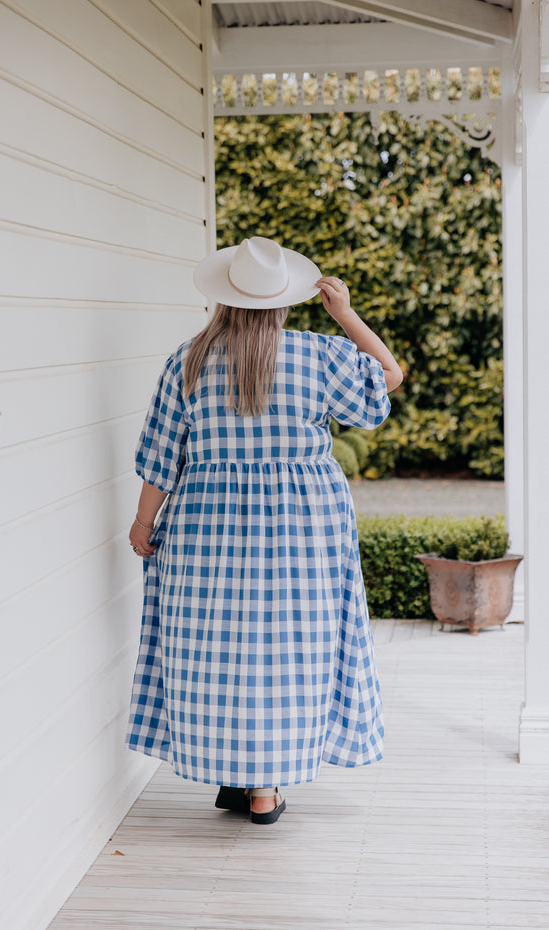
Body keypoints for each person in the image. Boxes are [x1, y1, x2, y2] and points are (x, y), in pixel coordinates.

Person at [125, 236, 403, 825]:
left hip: (207, 520)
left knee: (218, 647)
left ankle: (237, 769)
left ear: (222, 300)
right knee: (288, 647)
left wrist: (144, 522)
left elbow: (160, 457)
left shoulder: (189, 361)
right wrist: (346, 314)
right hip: (304, 522)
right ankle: (264, 787)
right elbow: (389, 378)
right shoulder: (318, 354)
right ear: (285, 300)